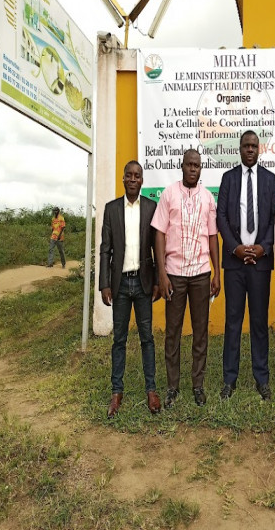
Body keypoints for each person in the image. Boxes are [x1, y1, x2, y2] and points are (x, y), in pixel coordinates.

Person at [151, 149, 220, 408]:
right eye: (189, 164)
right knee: (173, 332)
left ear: (201, 169)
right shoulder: (169, 194)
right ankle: (172, 387)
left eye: (197, 165)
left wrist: (217, 272)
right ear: (182, 166)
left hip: (201, 274)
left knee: (200, 332)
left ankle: (198, 385)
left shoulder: (207, 198)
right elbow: (159, 232)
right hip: (175, 275)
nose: (193, 169)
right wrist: (162, 273)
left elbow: (213, 237)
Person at [217, 130, 275, 400]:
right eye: (246, 146)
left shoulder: (270, 179)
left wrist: (263, 247)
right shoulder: (228, 178)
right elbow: (220, 216)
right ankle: (229, 380)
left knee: (258, 322)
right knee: (233, 322)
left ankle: (261, 378)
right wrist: (236, 248)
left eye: (254, 146)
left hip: (260, 264)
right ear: (239, 149)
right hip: (234, 263)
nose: (250, 150)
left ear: (259, 149)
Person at [99, 161, 161, 417]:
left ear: (142, 180)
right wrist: (104, 283)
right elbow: (105, 249)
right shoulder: (111, 209)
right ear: (123, 179)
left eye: (138, 176)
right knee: (119, 340)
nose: (133, 179)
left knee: (147, 338)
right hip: (121, 283)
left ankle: (151, 390)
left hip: (144, 282)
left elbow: (157, 248)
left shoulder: (151, 208)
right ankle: (116, 392)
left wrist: (158, 280)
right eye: (129, 176)